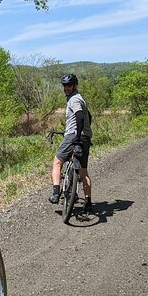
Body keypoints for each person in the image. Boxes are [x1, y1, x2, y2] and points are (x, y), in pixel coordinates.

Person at [49, 73, 94, 213]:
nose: (66, 88)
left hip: (73, 136)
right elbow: (89, 117)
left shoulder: (74, 100)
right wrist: (84, 135)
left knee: (57, 162)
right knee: (83, 171)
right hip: (85, 137)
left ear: (74, 86)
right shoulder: (81, 99)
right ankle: (88, 202)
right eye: (64, 86)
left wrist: (77, 138)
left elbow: (80, 116)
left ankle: (56, 193)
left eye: (68, 85)